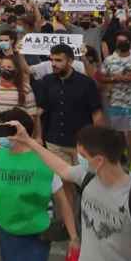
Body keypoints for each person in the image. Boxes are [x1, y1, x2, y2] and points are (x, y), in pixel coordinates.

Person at [11, 123, 131, 261]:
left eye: (82, 155)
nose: (80, 159)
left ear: (99, 160)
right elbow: (63, 169)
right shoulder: (87, 177)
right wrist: (28, 141)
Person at [0, 109, 77, 261]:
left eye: (3, 130)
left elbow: (63, 202)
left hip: (38, 235)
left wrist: (74, 237)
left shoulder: (45, 163)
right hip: (7, 233)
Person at [35, 43, 104, 203]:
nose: (53, 64)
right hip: (55, 142)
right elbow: (40, 111)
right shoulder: (46, 81)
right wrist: (37, 136)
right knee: (64, 185)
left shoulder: (86, 83)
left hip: (81, 144)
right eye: (52, 60)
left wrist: (98, 142)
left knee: (88, 183)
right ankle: (69, 222)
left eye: (58, 60)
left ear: (71, 61)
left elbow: (97, 114)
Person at [101, 30, 131, 171]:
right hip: (117, 103)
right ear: (116, 44)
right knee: (120, 134)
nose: (122, 44)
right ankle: (124, 153)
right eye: (119, 41)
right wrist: (115, 78)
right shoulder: (109, 60)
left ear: (130, 43)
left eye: (125, 41)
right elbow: (102, 78)